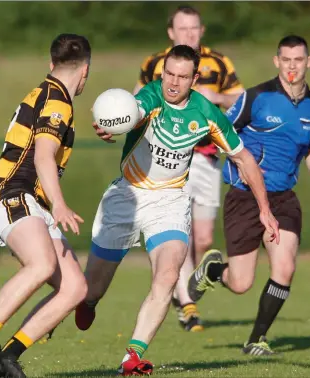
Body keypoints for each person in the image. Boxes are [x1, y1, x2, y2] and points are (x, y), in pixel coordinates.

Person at [75, 45, 279, 376]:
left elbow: (244, 159)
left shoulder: (207, 114)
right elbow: (132, 112)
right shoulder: (152, 96)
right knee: (91, 290)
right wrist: (110, 125)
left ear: (194, 79)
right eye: (169, 73)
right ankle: (88, 302)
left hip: (169, 201)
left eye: (182, 77)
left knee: (168, 275)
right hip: (127, 194)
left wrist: (265, 210)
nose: (173, 82)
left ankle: (132, 358)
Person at [0, 34, 91, 378]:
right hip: (11, 193)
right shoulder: (59, 101)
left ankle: (9, 356)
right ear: (85, 70)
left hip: (31, 201)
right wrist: (60, 205)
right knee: (42, 264)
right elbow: (43, 156)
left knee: (75, 287)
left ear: (52, 64)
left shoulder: (45, 92)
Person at [188, 35, 310, 356]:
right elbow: (222, 130)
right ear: (276, 61)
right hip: (244, 196)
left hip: (282, 198)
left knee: (285, 268)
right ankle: (213, 271)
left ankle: (256, 340)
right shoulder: (256, 97)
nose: (292, 66)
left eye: (298, 60)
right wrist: (238, 163)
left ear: (308, 62)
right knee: (240, 284)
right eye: (286, 59)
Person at [133, 4, 245, 332]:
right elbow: (136, 100)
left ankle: (188, 290)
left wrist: (217, 96)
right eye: (183, 29)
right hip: (167, 160)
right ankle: (188, 306)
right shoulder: (155, 64)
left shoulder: (219, 62)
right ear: (171, 33)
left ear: (202, 30)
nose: (190, 34)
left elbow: (241, 100)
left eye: (194, 28)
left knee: (204, 239)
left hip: (207, 158)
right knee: (178, 233)